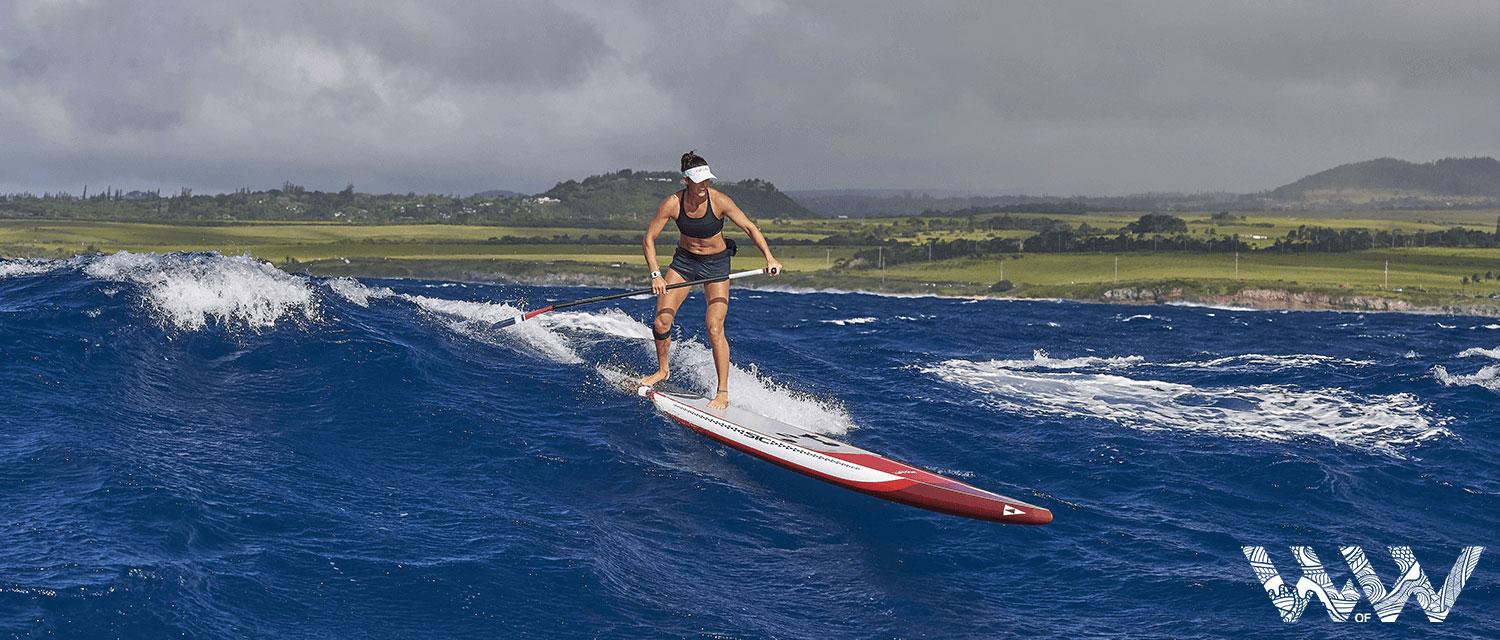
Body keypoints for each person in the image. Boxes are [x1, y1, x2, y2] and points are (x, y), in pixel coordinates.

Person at [639, 151, 782, 408]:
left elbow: (749, 227)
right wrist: (656, 274)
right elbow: (649, 238)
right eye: (698, 181)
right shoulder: (672, 203)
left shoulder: (719, 201)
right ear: (685, 180)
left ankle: (723, 392)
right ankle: (662, 371)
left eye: (707, 179)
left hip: (716, 265)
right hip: (684, 263)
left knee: (714, 327)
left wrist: (770, 258)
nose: (704, 185)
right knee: (661, 322)